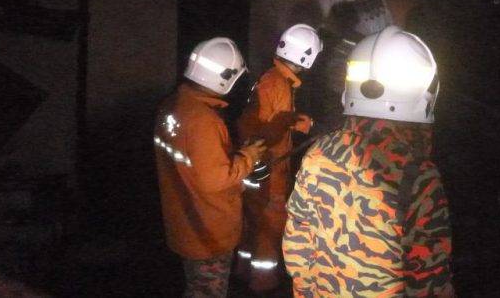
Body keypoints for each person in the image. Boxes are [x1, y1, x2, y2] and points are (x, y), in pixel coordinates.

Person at [283, 25, 454, 297]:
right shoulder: (418, 175)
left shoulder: (318, 153)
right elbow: (427, 277)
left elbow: (298, 240)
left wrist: (305, 292)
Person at [154, 37, 267, 298]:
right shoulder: (204, 120)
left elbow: (193, 162)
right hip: (208, 230)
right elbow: (215, 179)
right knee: (207, 292)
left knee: (196, 286)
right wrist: (248, 156)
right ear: (224, 78)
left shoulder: (171, 106)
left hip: (184, 220)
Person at [236, 23, 323, 292]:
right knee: (270, 227)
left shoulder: (271, 78)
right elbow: (267, 130)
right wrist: (290, 125)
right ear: (307, 57)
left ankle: (242, 273)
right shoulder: (279, 85)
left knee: (251, 223)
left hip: (254, 165)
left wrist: (294, 122)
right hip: (269, 170)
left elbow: (265, 122)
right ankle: (264, 282)